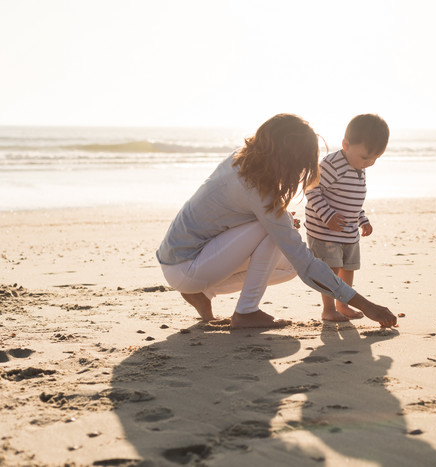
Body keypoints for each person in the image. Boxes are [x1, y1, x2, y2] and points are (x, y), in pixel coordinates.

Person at [156, 113, 397, 329]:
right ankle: (246, 312)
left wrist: (277, 220)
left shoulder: (241, 159)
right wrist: (366, 305)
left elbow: (228, 215)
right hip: (186, 265)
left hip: (182, 259)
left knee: (286, 264)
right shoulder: (259, 189)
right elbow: (306, 262)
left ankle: (203, 292)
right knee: (279, 237)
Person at [304, 114, 389, 321]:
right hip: (325, 230)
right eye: (365, 157)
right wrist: (328, 216)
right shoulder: (332, 165)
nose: (369, 163)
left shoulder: (358, 166)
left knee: (348, 268)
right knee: (330, 270)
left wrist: (362, 219)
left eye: (375, 159)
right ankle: (328, 309)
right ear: (346, 144)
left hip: (348, 231)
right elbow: (311, 189)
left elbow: (351, 199)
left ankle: (343, 304)